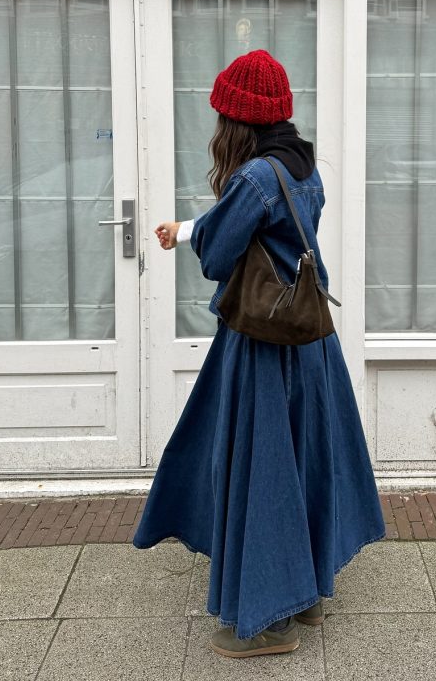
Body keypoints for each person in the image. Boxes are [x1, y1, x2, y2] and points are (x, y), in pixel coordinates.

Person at [132, 48, 386, 659]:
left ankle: (269, 621)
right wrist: (187, 226)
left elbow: (222, 254)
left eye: (222, 116)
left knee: (265, 468)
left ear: (237, 121)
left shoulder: (250, 177)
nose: (217, 128)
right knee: (301, 458)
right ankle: (307, 594)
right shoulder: (303, 167)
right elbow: (258, 225)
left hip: (263, 346)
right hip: (310, 344)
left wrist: (199, 236)